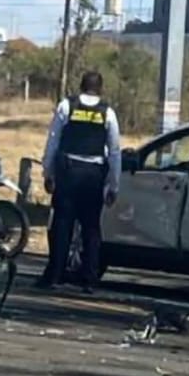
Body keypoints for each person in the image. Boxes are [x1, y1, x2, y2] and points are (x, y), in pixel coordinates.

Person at [37, 71, 121, 294]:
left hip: (68, 173)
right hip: (93, 175)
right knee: (91, 228)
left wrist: (48, 173)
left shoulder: (67, 106)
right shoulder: (107, 113)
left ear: (81, 86)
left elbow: (53, 142)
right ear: (100, 89)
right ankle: (89, 279)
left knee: (62, 225)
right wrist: (113, 185)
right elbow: (114, 151)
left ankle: (55, 276)